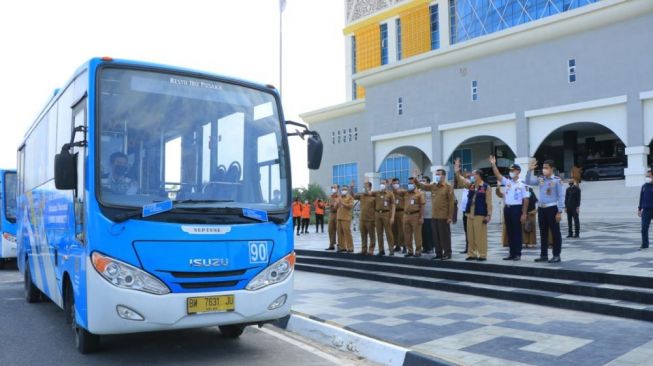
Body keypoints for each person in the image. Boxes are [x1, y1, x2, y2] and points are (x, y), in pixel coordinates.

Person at [525, 159, 565, 263]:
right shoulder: (541, 179)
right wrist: (529, 170)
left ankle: (556, 255)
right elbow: (528, 181)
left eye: (546, 168)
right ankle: (544, 255)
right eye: (543, 168)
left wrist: (559, 211)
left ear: (552, 169)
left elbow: (561, 196)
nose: (544, 170)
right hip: (542, 209)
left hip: (552, 209)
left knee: (555, 233)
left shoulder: (557, 180)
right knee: (543, 233)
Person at [489, 156, 529, 261]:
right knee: (510, 232)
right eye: (510, 170)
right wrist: (493, 164)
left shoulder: (522, 183)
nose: (511, 172)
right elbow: (498, 175)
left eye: (513, 170)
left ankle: (517, 253)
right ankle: (511, 253)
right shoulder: (508, 182)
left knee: (516, 232)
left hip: (517, 209)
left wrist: (524, 214)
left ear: (518, 171)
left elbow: (526, 199)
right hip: (507, 209)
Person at [455, 159, 492, 261]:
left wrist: (488, 214)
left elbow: (489, 202)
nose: (472, 176)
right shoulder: (471, 185)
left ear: (479, 175)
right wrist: (457, 171)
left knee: (480, 235)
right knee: (470, 235)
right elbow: (461, 180)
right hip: (469, 213)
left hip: (480, 214)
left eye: (474, 174)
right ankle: (472, 254)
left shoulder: (486, 187)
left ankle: (482, 254)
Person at [416, 169, 455, 260]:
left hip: (443, 216)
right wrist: (416, 179)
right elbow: (422, 186)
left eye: (439, 174)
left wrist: (450, 216)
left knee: (444, 236)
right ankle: (438, 253)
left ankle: (447, 253)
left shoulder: (448, 187)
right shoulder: (434, 186)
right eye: (436, 174)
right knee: (436, 236)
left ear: (444, 176)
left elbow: (451, 203)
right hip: (434, 215)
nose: (437, 176)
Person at [400, 177, 425, 257]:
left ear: (415, 184)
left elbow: (422, 206)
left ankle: (418, 251)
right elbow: (396, 191)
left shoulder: (419, 194)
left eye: (411, 183)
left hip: (416, 215)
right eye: (409, 183)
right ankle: (409, 251)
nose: (410, 185)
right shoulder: (406, 193)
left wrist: (421, 217)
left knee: (417, 234)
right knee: (407, 234)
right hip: (406, 215)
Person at [371, 179, 395, 256]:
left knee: (389, 233)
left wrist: (392, 217)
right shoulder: (377, 193)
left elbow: (393, 205)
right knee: (379, 233)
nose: (382, 185)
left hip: (386, 214)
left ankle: (391, 249)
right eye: (381, 183)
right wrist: (366, 183)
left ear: (387, 184)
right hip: (377, 214)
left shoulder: (390, 194)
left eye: (383, 183)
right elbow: (367, 193)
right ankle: (381, 250)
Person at [352, 181, 376, 255]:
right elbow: (353, 196)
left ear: (370, 187)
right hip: (362, 219)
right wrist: (352, 188)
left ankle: (371, 250)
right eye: (364, 186)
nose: (364, 187)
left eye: (366, 186)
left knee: (372, 236)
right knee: (363, 235)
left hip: (370, 219)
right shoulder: (362, 196)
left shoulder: (373, 196)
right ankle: (364, 250)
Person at [336, 186, 355, 253]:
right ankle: (342, 247)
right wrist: (336, 203)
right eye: (342, 189)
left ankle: (350, 247)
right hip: (339, 217)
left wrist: (342, 203)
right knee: (339, 233)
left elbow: (350, 206)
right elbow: (336, 207)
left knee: (347, 233)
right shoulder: (339, 197)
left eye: (345, 189)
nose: (343, 190)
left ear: (347, 190)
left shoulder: (350, 197)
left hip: (346, 218)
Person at [638, 169, 653, 250]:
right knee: (644, 228)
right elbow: (641, 198)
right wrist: (639, 208)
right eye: (646, 176)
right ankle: (645, 244)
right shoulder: (644, 186)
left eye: (648, 176)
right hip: (646, 211)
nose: (647, 178)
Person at [391, 178, 406, 253]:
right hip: (393, 213)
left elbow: (406, 192)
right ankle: (397, 245)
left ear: (399, 184)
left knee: (402, 230)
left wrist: (397, 190)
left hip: (401, 212)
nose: (395, 185)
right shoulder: (391, 193)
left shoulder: (402, 191)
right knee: (394, 230)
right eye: (394, 183)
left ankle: (404, 246)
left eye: (397, 183)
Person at [420, 176, 434, 254]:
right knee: (423, 232)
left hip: (429, 214)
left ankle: (431, 247)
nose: (422, 182)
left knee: (429, 232)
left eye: (424, 181)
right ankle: (424, 247)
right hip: (422, 214)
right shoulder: (420, 191)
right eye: (421, 181)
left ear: (428, 182)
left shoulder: (431, 190)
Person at [458, 172, 471, 254]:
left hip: (471, 211)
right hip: (464, 211)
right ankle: (468, 247)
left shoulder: (472, 186)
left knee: (470, 231)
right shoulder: (465, 187)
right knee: (466, 230)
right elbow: (460, 179)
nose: (465, 180)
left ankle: (472, 247)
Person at [326, 185, 340, 250]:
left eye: (334, 188)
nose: (333, 189)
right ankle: (331, 245)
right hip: (331, 214)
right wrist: (329, 206)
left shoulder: (340, 197)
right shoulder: (330, 197)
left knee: (339, 230)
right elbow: (326, 206)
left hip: (338, 214)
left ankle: (340, 244)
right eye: (332, 188)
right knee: (330, 230)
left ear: (338, 189)